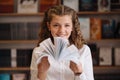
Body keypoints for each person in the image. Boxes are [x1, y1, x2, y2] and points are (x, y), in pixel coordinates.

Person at [30, 5, 94, 80]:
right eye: (56, 25)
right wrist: (42, 73)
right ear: (49, 26)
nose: (61, 30)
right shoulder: (38, 52)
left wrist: (79, 73)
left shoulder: (84, 50)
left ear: (72, 27)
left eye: (67, 25)